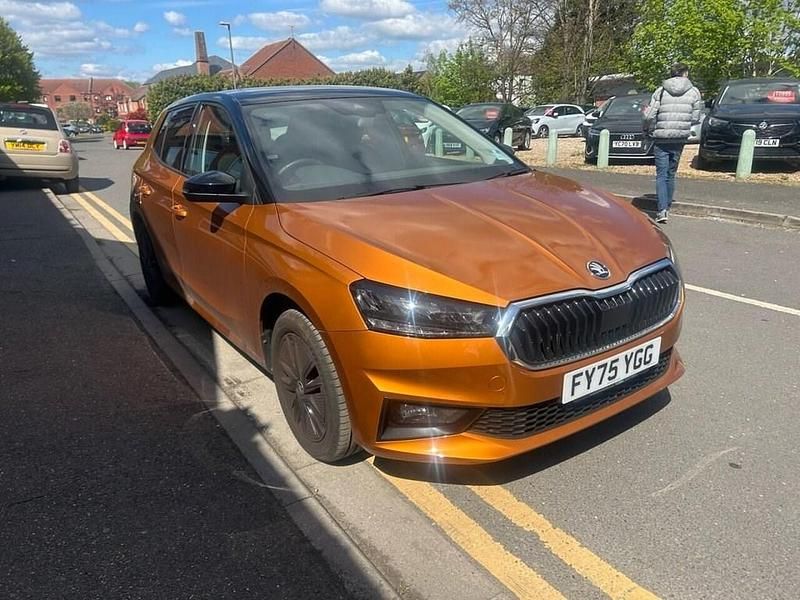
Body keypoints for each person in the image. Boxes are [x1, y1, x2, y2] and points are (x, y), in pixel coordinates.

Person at [644, 63, 703, 223]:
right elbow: (696, 117)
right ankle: (668, 204)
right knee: (671, 173)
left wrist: (647, 128)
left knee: (661, 174)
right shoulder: (694, 91)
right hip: (679, 137)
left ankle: (662, 210)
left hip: (661, 136)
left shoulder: (661, 90)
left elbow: (649, 115)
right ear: (685, 74)